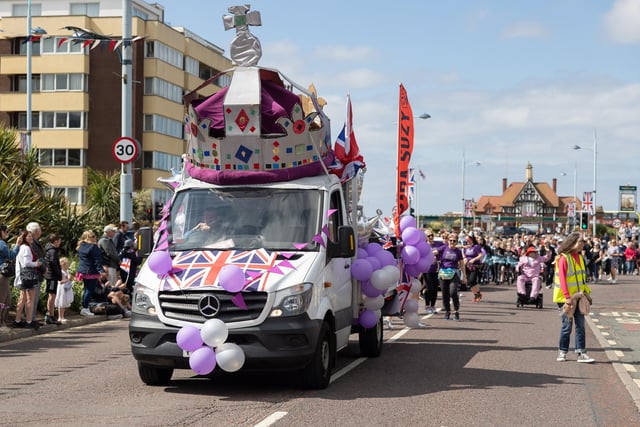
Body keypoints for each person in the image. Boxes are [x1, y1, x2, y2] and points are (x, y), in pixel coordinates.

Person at [554, 232, 594, 363]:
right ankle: (562, 351)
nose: (583, 244)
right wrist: (567, 297)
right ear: (572, 243)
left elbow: (582, 279)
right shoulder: (563, 258)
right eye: (580, 241)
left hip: (579, 297)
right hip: (566, 298)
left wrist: (587, 294)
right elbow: (563, 280)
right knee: (567, 326)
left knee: (580, 326)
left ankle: (581, 353)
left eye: (583, 241)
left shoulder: (580, 258)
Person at [13, 230, 43, 329]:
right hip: (28, 276)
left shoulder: (22, 248)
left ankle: (17, 320)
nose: (31, 238)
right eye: (28, 236)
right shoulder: (26, 248)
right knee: (30, 299)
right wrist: (37, 264)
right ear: (24, 238)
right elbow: (26, 263)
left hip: (23, 276)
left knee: (22, 299)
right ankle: (29, 321)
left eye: (31, 236)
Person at [77, 230, 107, 317]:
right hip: (91, 271)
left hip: (83, 270)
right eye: (93, 236)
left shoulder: (81, 246)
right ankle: (85, 308)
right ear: (89, 238)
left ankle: (84, 306)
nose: (95, 237)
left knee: (86, 289)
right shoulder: (93, 247)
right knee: (90, 290)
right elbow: (97, 260)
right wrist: (101, 271)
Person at [438, 233, 465, 321]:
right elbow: (434, 252)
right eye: (450, 240)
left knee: (453, 292)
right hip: (443, 273)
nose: (452, 242)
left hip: (454, 273)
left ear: (456, 242)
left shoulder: (458, 251)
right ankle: (447, 311)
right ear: (448, 241)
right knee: (445, 294)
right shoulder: (444, 248)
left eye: (454, 241)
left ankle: (456, 311)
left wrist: (464, 276)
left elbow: (461, 264)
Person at [0, 224, 19, 330]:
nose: (7, 233)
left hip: (4, 275)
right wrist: (17, 245)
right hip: (2, 275)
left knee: (6, 300)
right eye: (6, 231)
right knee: (3, 300)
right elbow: (11, 255)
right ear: (1, 232)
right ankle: (1, 323)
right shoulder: (1, 244)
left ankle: (3, 323)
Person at [26, 222, 45, 324]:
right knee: (32, 298)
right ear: (37, 231)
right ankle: (30, 319)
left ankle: (32, 318)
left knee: (34, 298)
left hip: (37, 273)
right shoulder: (32, 244)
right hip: (34, 273)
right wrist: (43, 268)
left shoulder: (35, 243)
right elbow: (38, 258)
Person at [421, 229, 442, 314]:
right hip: (427, 269)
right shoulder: (424, 246)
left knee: (435, 289)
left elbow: (444, 248)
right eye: (428, 236)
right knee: (429, 288)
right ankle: (427, 306)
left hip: (436, 269)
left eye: (432, 235)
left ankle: (433, 306)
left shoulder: (438, 244)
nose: (431, 237)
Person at [43, 233, 63, 325]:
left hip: (51, 276)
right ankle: (49, 315)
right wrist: (59, 275)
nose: (60, 242)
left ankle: (50, 314)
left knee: (52, 295)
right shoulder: (52, 251)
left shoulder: (52, 250)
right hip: (51, 276)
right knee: (52, 295)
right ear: (55, 241)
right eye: (59, 241)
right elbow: (54, 264)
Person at [462, 233, 485, 302]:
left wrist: (474, 259)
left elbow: (480, 255)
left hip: (474, 266)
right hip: (467, 266)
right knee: (469, 282)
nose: (467, 241)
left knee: (472, 280)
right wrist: (464, 258)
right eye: (466, 240)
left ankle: (478, 294)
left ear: (472, 239)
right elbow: (463, 253)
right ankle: (477, 295)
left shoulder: (476, 247)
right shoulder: (466, 247)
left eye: (468, 239)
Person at [55, 257, 73, 324]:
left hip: (66, 288)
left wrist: (70, 278)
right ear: (63, 264)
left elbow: (70, 279)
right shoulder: (61, 272)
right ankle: (60, 317)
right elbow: (60, 282)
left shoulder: (67, 271)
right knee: (61, 302)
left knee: (64, 302)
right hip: (61, 288)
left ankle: (62, 316)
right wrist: (67, 279)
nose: (68, 265)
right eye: (67, 264)